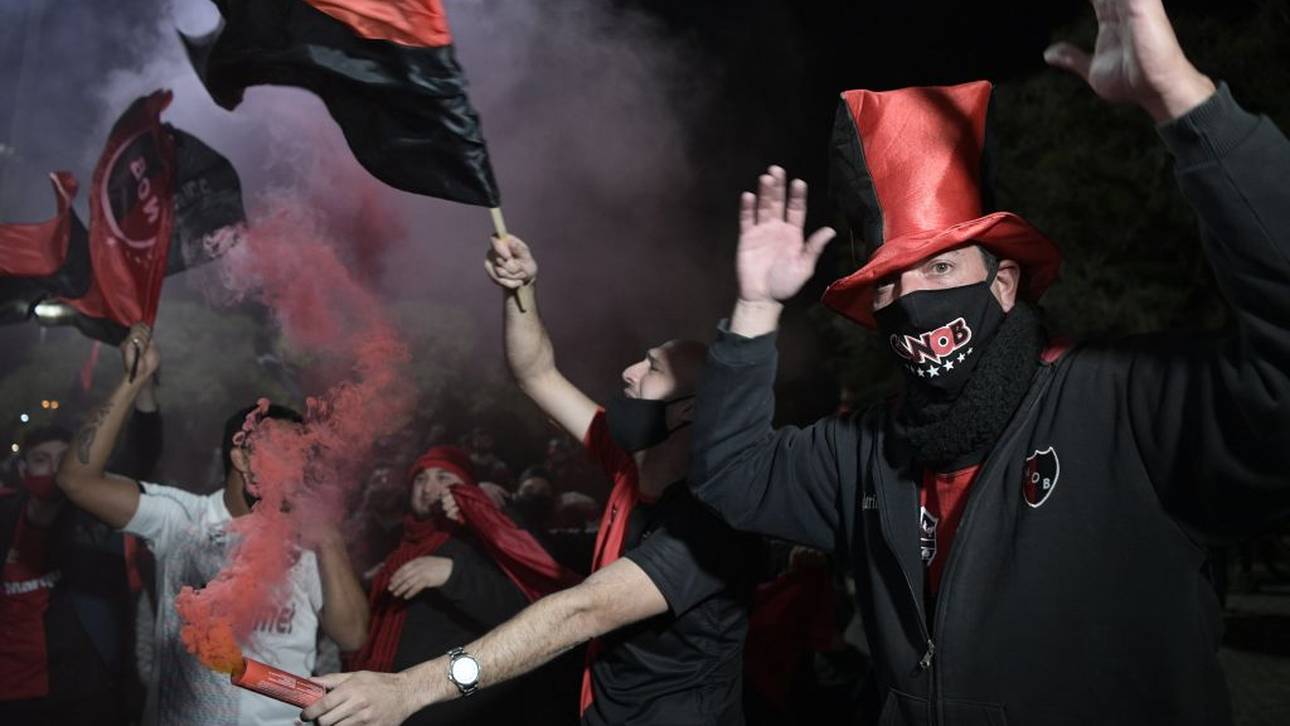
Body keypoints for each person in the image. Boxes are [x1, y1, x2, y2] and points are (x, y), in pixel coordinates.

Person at [688, 1, 1290, 724]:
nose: (912, 302)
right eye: (889, 283)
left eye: (941, 271)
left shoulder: (1124, 406)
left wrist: (1184, 103)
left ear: (1003, 284)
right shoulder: (867, 453)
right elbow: (730, 473)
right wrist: (754, 308)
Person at [301, 236, 765, 726]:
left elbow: (582, 611)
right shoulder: (626, 461)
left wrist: (412, 688)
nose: (628, 373)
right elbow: (536, 372)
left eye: (651, 367)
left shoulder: (715, 515)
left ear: (690, 409)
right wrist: (520, 291)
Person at [55, 324, 370, 726]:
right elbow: (76, 480)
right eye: (285, 450)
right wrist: (135, 379)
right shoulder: (184, 519)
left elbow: (353, 637)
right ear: (241, 458)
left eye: (303, 455)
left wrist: (328, 539)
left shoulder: (308, 543)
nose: (299, 465)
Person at [346, 444, 582, 726]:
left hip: (460, 711)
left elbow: (528, 613)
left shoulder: (490, 538)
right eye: (421, 478)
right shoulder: (402, 548)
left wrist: (452, 574)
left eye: (444, 477)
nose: (428, 486)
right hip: (387, 709)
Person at [0, 340, 162, 725]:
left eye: (63, 461)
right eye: (41, 460)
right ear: (22, 470)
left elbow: (143, 452)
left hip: (84, 696)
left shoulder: (92, 519)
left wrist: (141, 380)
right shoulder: (5, 517)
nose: (54, 470)